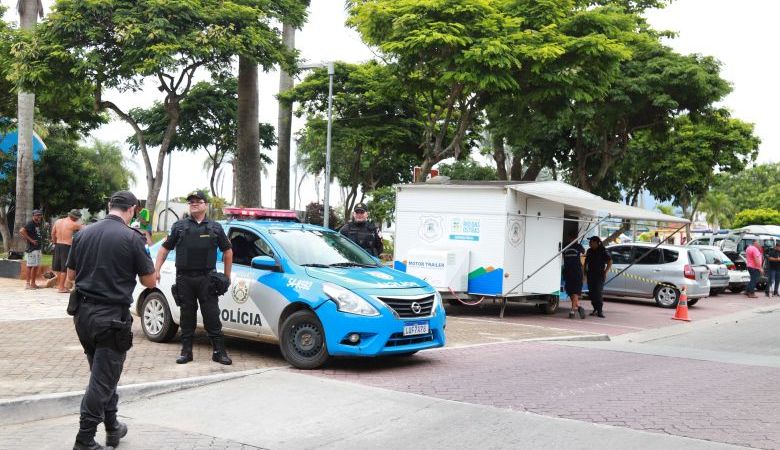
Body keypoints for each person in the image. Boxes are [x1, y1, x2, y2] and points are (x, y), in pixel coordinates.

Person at [66, 191, 156, 450]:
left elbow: (70, 275)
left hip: (83, 316)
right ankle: (84, 439)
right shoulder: (133, 238)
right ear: (133, 209)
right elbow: (149, 281)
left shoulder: (83, 234)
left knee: (103, 374)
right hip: (111, 319)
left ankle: (113, 427)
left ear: (109, 206)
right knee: (102, 380)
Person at [154, 190, 234, 365]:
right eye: (191, 202)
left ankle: (219, 352)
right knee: (186, 317)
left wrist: (227, 276)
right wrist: (156, 269)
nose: (194, 203)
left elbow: (228, 251)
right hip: (185, 279)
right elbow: (164, 249)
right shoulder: (179, 227)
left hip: (207, 279)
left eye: (198, 201)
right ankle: (186, 352)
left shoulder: (215, 227)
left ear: (205, 205)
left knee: (212, 316)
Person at [51, 209, 85, 293]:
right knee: (64, 268)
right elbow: (86, 230)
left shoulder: (58, 221)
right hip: (67, 246)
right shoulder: (74, 224)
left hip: (58, 245)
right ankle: (61, 287)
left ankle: (60, 285)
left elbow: (53, 233)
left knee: (58, 267)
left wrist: (55, 241)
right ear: (74, 217)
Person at [584, 236, 612, 318]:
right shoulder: (589, 251)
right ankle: (595, 309)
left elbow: (610, 261)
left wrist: (605, 272)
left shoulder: (603, 251)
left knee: (598, 292)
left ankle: (600, 311)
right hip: (590, 274)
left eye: (591, 242)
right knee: (591, 292)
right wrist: (584, 274)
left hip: (599, 275)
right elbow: (586, 263)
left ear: (596, 242)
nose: (589, 243)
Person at [562, 233, 586, 319]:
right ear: (569, 238)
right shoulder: (564, 246)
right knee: (570, 292)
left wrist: (583, 274)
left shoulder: (578, 246)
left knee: (575, 292)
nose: (572, 240)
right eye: (571, 238)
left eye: (574, 238)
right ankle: (578, 307)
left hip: (577, 272)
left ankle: (572, 310)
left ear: (576, 239)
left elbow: (584, 253)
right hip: (567, 272)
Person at [19, 209, 44, 289]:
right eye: (37, 215)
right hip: (32, 249)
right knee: (30, 266)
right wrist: (31, 240)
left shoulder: (38, 224)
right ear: (33, 216)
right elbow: (21, 231)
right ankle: (27, 284)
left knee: (35, 266)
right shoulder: (31, 223)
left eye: (39, 215)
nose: (38, 216)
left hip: (37, 248)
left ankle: (33, 283)